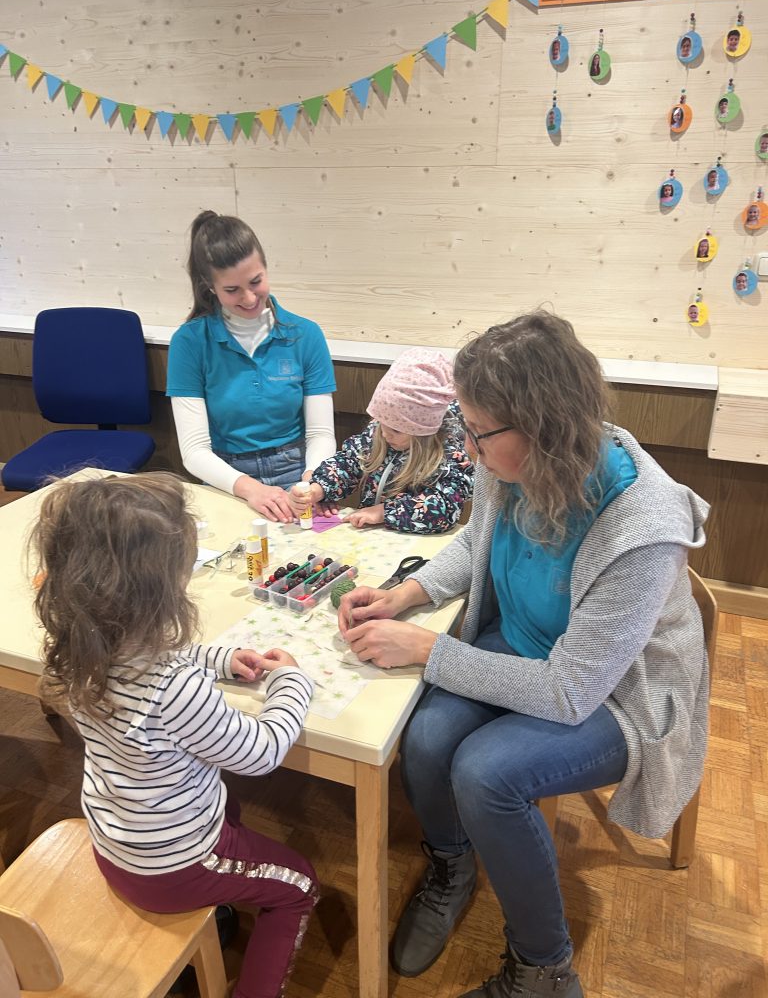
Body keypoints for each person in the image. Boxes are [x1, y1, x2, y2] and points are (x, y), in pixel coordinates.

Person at [336, 312, 710, 998]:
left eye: (477, 432)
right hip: (529, 650)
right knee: (425, 737)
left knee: (486, 774)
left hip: (618, 691)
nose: (468, 449)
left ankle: (545, 973)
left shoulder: (642, 524)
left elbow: (571, 691)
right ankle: (452, 865)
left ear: (540, 425)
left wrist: (429, 650)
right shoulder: (507, 464)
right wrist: (405, 594)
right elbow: (470, 545)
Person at [31, 472, 318, 998]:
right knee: (298, 886)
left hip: (115, 838)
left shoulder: (78, 645)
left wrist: (220, 658)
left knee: (227, 804)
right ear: (160, 592)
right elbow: (261, 752)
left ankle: (218, 911)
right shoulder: (174, 689)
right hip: (173, 864)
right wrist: (293, 680)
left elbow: (152, 658)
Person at [167, 211, 337, 523]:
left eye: (256, 282)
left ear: (266, 270)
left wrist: (311, 484)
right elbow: (194, 451)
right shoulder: (189, 342)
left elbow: (320, 434)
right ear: (210, 288)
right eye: (232, 290)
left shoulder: (305, 334)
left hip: (296, 472)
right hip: (226, 478)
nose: (248, 298)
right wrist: (251, 490)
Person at [288, 348, 474, 532]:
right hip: (374, 537)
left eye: (395, 429)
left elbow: (444, 508)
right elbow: (348, 463)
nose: (385, 434)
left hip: (417, 547)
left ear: (423, 432)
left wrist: (383, 513)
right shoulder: (377, 435)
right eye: (380, 422)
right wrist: (319, 487)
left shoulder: (449, 455)